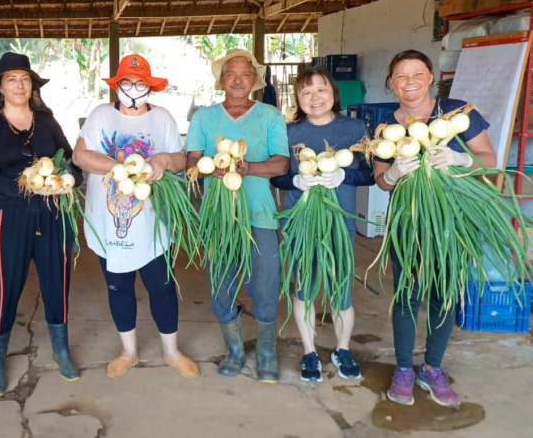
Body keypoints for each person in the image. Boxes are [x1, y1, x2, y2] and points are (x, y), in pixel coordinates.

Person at [373, 50, 495, 408]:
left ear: (430, 78)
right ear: (392, 83)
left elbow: (490, 161)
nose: (409, 82)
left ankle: (433, 368)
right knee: (407, 294)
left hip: (452, 219)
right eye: (400, 76)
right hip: (407, 221)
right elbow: (381, 180)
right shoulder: (385, 124)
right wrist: (393, 174)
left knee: (445, 291)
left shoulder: (457, 112)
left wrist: (460, 159)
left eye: (417, 74)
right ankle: (404, 370)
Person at [73, 55, 198, 379]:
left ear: (149, 87)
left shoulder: (163, 118)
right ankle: (128, 351)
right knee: (119, 287)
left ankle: (171, 351)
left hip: (154, 224)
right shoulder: (101, 115)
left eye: (140, 83)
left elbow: (182, 160)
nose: (133, 88)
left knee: (162, 287)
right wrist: (120, 169)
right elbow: (81, 155)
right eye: (127, 82)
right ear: (117, 86)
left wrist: (162, 158)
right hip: (109, 220)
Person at [0, 53, 82, 396]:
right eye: (12, 79)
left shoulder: (47, 121)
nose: (19, 85)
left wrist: (67, 178)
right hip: (10, 215)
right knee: (6, 286)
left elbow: (69, 159)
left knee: (58, 279)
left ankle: (61, 351)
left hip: (53, 211)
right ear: (1, 88)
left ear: (32, 85)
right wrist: (23, 186)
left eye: (25, 79)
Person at [185, 49, 289, 382]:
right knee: (222, 284)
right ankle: (234, 350)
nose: (238, 79)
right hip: (219, 216)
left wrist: (248, 168)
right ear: (221, 80)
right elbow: (192, 164)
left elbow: (281, 163)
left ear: (255, 80)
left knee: (266, 281)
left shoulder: (270, 115)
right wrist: (208, 169)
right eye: (231, 73)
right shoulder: (203, 117)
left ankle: (268, 352)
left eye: (246, 74)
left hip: (260, 213)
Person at [270, 66, 374, 383]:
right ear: (298, 98)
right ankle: (309, 351)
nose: (315, 97)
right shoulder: (288, 132)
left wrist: (345, 175)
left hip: (341, 221)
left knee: (341, 288)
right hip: (300, 222)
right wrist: (295, 180)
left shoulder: (356, 128)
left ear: (333, 94)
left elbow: (372, 173)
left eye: (321, 89)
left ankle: (343, 349)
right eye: (306, 91)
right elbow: (276, 175)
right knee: (304, 287)